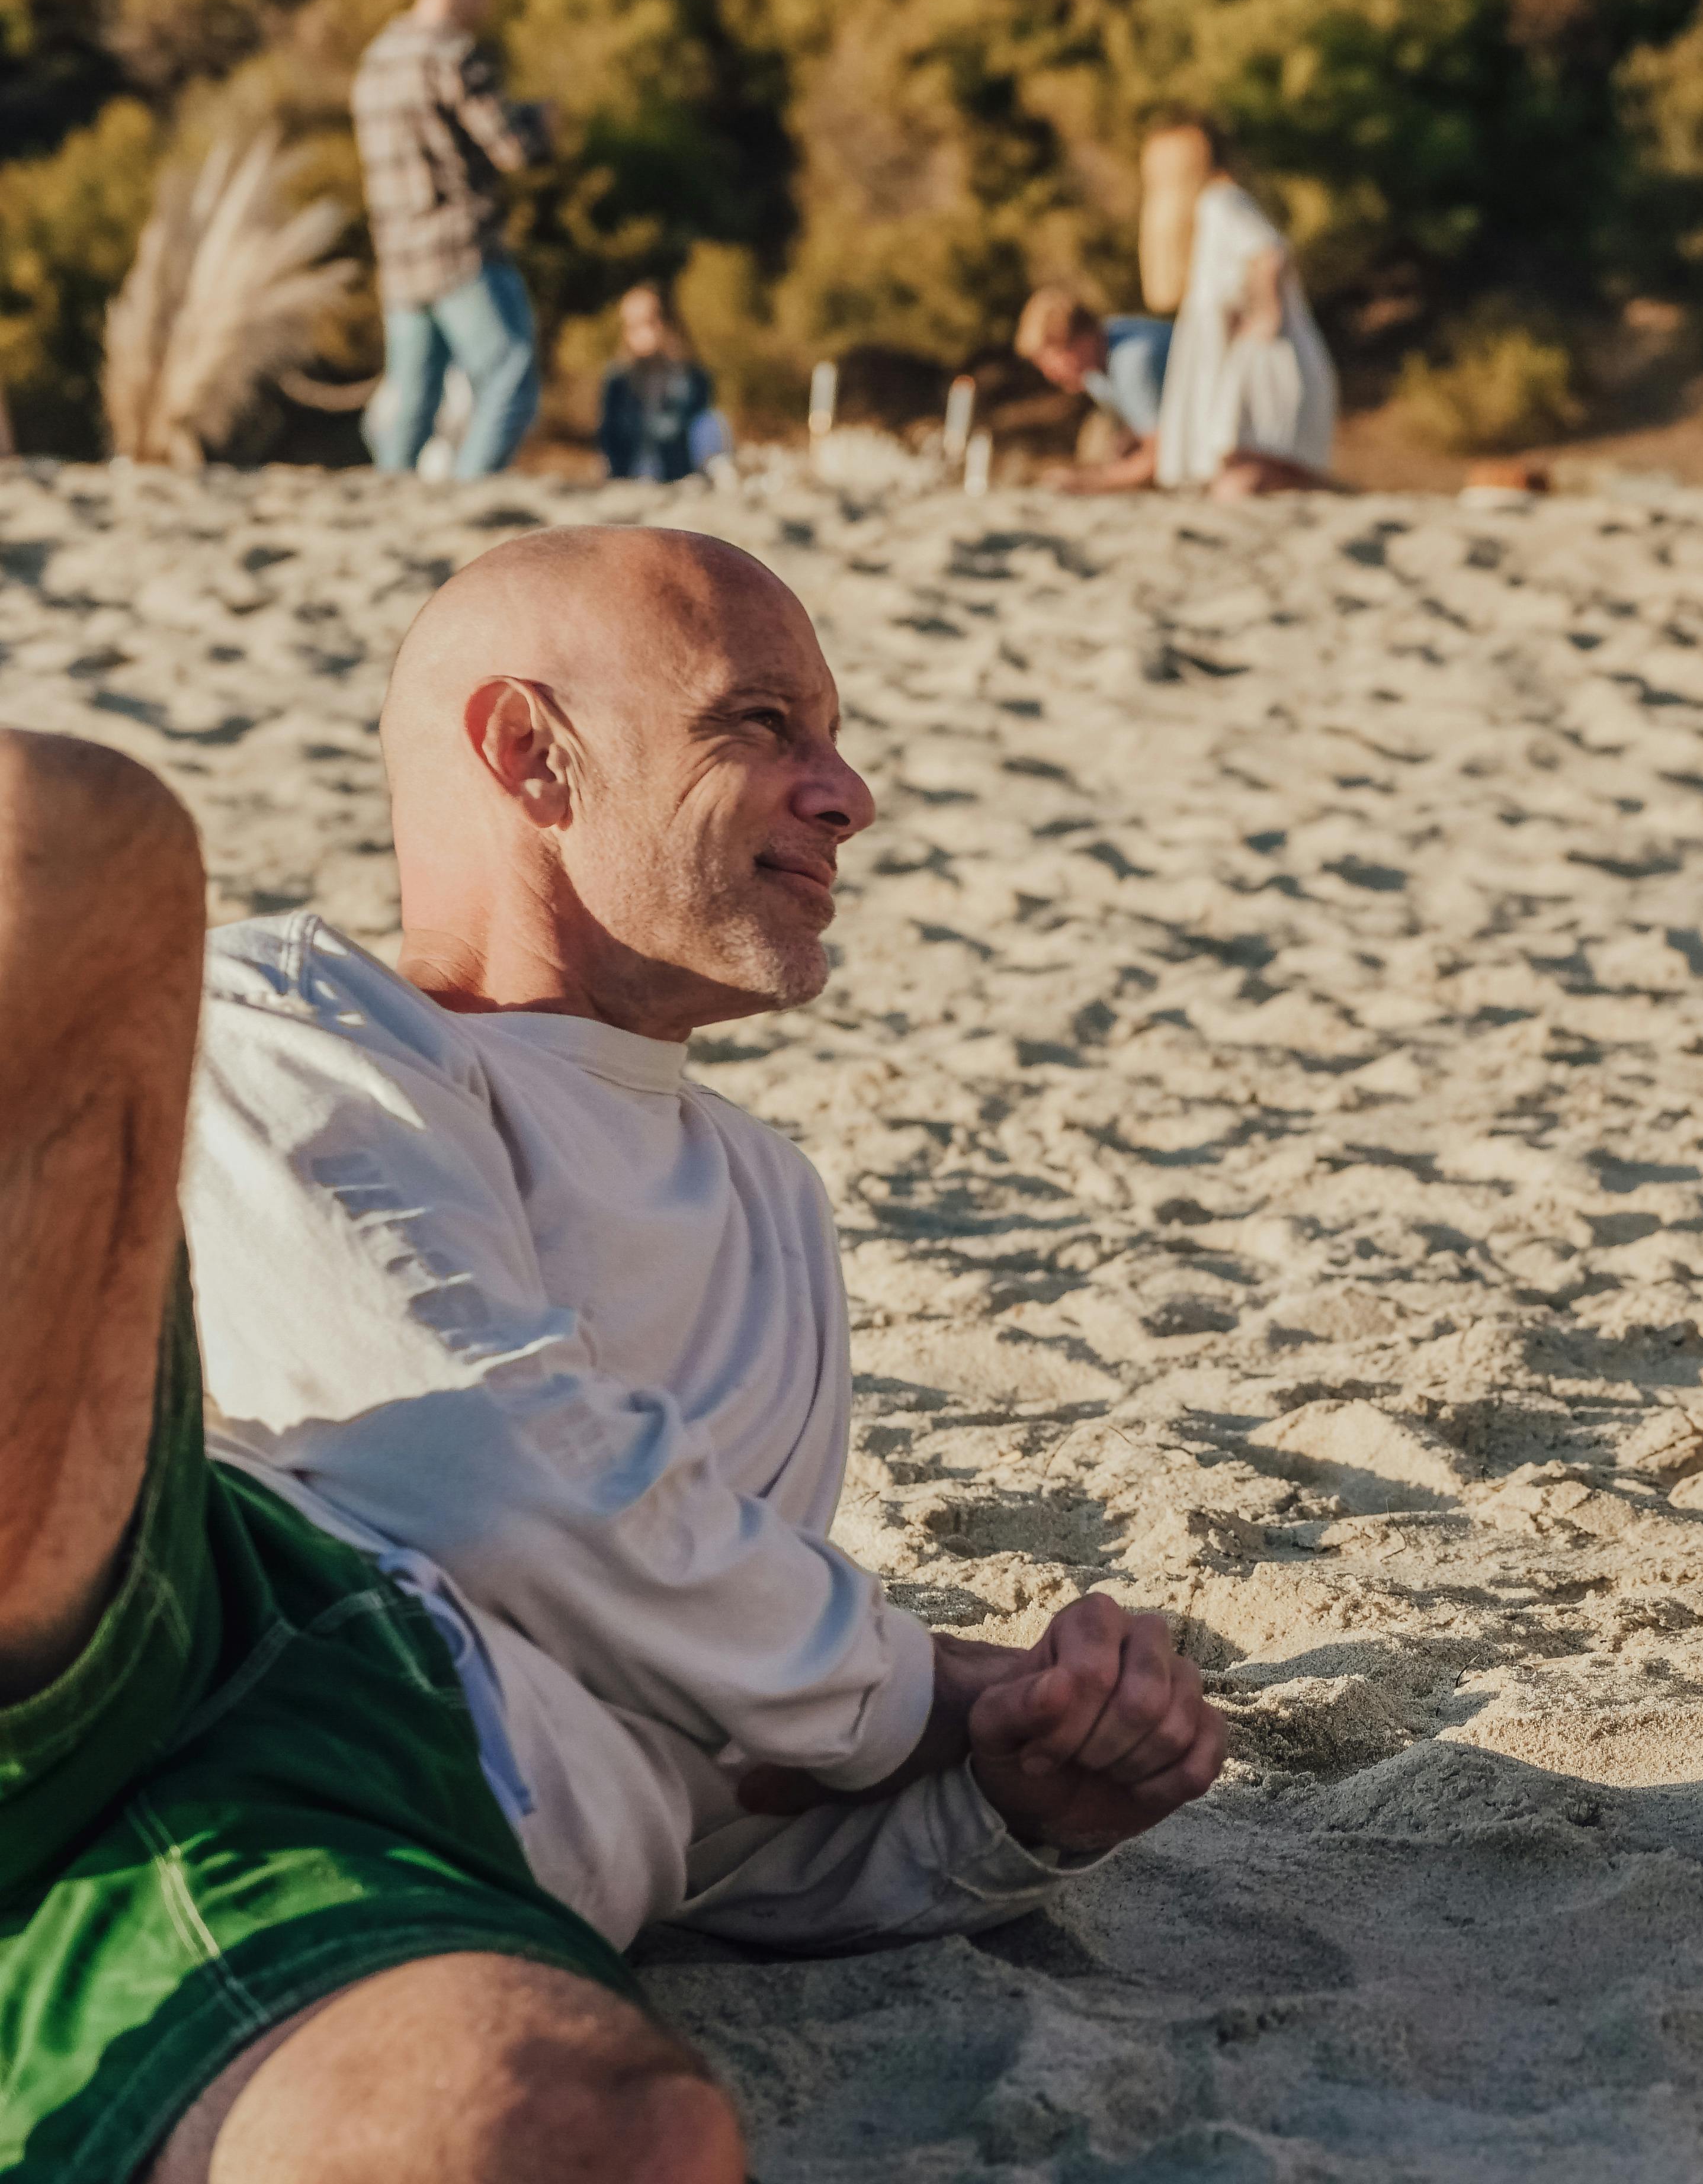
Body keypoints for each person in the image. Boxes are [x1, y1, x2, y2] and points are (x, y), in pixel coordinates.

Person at [0, 529, 1224, 2183]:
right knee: (65, 842)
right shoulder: (304, 1021)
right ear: (530, 752)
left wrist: (1007, 1808)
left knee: (589, 2131)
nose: (847, 792)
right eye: (761, 725)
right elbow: (482, 1461)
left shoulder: (769, 1211)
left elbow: (725, 1782)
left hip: (397, 1850)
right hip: (176, 1623)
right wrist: (922, 1684)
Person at [350, 0, 554, 480]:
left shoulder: (377, 58)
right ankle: (468, 494)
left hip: (398, 259)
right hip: (461, 250)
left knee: (414, 402)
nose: (488, 2)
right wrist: (542, 123)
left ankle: (390, 502)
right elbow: (513, 149)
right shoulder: (454, 55)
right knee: (511, 377)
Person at [1142, 121, 1337, 499]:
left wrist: (1267, 315)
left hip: (1264, 363)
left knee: (1245, 470)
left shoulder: (1219, 202)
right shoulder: (1218, 205)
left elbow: (1268, 252)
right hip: (1261, 358)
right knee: (1265, 474)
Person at [1015, 288, 1171, 492]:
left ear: (1082, 341)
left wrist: (1090, 481)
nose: (1051, 376)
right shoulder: (1099, 358)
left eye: (1052, 361)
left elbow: (1163, 458)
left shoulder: (1133, 362)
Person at [595, 281, 724, 481]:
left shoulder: (691, 377)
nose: (640, 333)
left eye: (648, 321)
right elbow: (609, 438)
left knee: (712, 423)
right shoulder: (618, 380)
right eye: (631, 325)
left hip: (680, 474)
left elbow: (684, 425)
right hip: (630, 476)